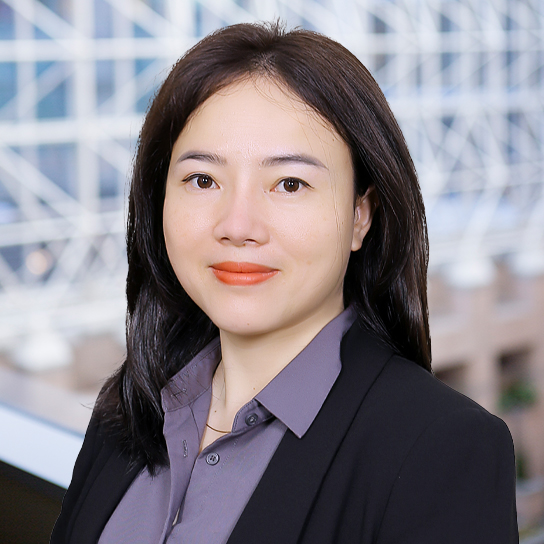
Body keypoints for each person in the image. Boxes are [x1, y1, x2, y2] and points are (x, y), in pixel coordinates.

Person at [51, 22, 518, 544]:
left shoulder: (442, 450)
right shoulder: (129, 408)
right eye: (203, 180)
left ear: (361, 215)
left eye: (290, 184)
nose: (237, 226)